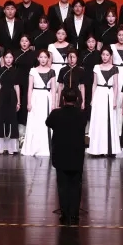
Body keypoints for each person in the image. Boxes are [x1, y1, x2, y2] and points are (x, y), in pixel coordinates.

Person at [46, 88, 87, 226]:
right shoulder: (81, 114)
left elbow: (48, 123)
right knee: (76, 185)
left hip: (61, 154)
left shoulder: (56, 113)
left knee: (62, 185)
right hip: (76, 155)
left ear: (63, 99)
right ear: (77, 100)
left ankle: (64, 213)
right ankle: (74, 214)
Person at [86, 48, 121, 157]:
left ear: (110, 56)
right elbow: (94, 83)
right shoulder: (96, 67)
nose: (105, 57)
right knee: (98, 120)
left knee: (109, 120)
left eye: (107, 55)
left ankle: (109, 149)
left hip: (109, 94)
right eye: (103, 54)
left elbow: (116, 85)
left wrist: (114, 100)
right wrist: (92, 98)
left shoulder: (114, 68)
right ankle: (97, 149)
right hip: (99, 94)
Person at [22, 50, 55, 157]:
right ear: (38, 58)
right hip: (35, 98)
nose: (43, 59)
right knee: (35, 123)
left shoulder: (52, 71)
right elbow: (30, 88)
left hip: (46, 98)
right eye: (41, 57)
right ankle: (33, 147)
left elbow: (53, 89)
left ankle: (45, 148)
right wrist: (29, 103)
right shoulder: (33, 70)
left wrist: (53, 104)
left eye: (45, 57)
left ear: (48, 59)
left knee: (45, 123)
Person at [0, 51, 21, 154]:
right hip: (2, 95)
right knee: (0, 119)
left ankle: (12, 148)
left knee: (12, 119)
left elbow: (17, 86)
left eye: (10, 57)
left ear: (13, 59)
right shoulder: (0, 70)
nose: (8, 59)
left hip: (12, 96)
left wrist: (18, 102)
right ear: (3, 58)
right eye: (7, 57)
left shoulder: (16, 71)